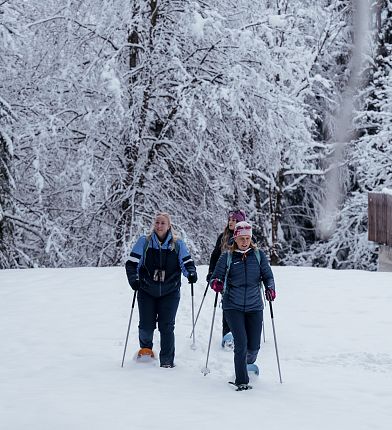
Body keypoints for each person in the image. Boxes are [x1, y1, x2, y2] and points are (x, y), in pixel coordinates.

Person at [210, 221, 276, 391]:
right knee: (241, 343)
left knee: (253, 346)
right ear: (236, 238)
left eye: (247, 238)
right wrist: (216, 283)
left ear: (251, 238)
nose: (245, 241)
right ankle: (242, 380)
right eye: (241, 238)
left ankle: (247, 364)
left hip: (255, 306)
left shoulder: (258, 255)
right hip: (233, 306)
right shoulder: (227, 256)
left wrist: (270, 288)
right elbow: (216, 276)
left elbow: (268, 276)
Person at [125, 212, 198, 368]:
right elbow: (132, 264)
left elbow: (186, 263)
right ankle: (146, 351)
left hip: (170, 292)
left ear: (169, 225)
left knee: (166, 326)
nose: (159, 226)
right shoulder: (144, 242)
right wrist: (134, 280)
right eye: (157, 222)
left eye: (162, 223)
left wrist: (190, 273)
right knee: (146, 325)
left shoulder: (177, 244)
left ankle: (166, 361)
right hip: (146, 290)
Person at [206, 209, 246, 348]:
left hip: (242, 278)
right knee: (227, 305)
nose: (231, 222)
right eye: (230, 219)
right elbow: (215, 256)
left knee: (243, 305)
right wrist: (212, 272)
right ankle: (227, 335)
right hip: (225, 278)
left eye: (235, 220)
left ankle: (242, 334)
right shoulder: (222, 237)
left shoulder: (246, 237)